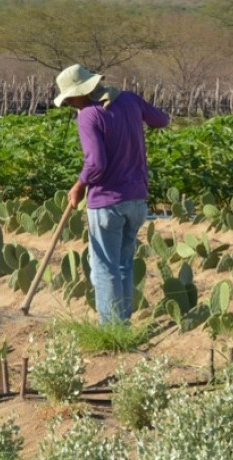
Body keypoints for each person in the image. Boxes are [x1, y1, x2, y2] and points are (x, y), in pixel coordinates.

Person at [54, 64, 170, 325]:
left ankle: (111, 329)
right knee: (124, 264)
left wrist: (79, 185)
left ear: (82, 92)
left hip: (107, 202)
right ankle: (123, 324)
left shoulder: (88, 115)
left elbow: (96, 164)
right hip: (137, 200)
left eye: (70, 98)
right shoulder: (129, 99)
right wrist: (130, 119)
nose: (70, 104)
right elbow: (161, 120)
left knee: (105, 268)